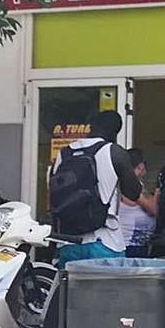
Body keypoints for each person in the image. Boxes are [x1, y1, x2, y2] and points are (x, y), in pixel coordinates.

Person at [50, 111, 142, 267]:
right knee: (110, 291)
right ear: (116, 132)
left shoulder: (63, 154)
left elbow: (54, 198)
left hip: (68, 242)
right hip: (106, 241)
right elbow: (133, 193)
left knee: (71, 291)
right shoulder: (114, 152)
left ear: (90, 127)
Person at [121, 148, 157, 257]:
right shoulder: (127, 186)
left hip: (138, 244)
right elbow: (153, 209)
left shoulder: (137, 185)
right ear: (140, 167)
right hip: (129, 246)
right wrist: (158, 192)